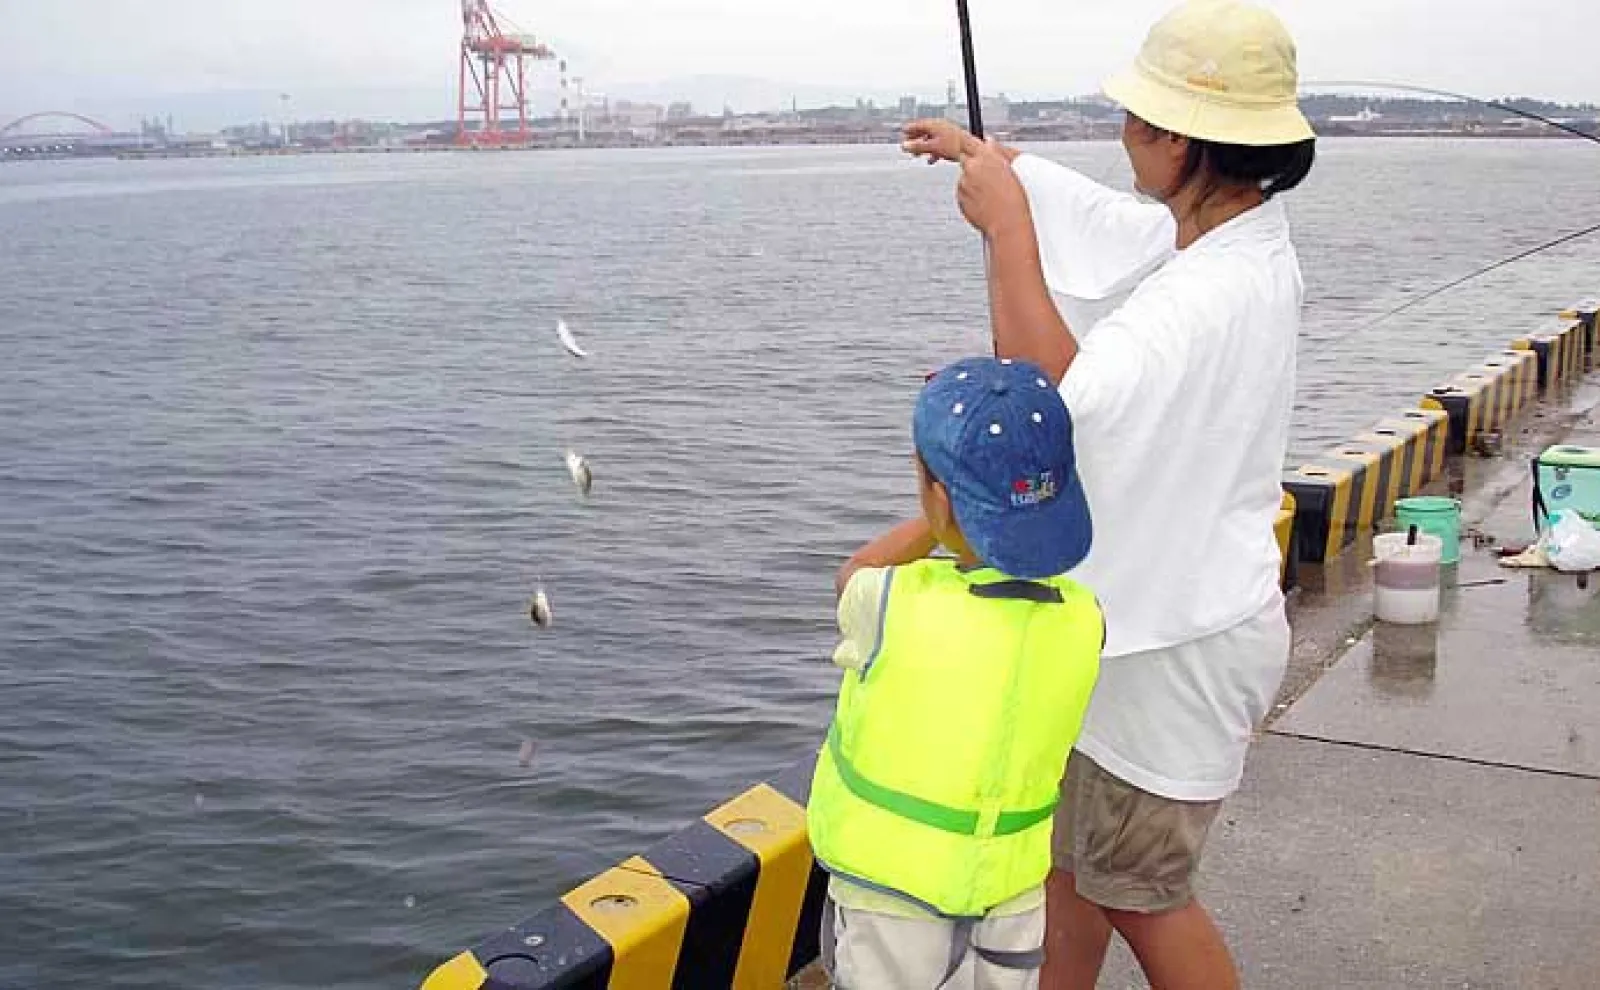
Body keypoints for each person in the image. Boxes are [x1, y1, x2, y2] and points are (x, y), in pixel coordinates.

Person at [900, 2, 1317, 988]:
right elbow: (1120, 226)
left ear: (1178, 138)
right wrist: (1003, 171)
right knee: (1071, 874)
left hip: (1171, 658)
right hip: (1145, 626)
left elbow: (1059, 401)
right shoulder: (1222, 235)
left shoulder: (1207, 295)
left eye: (1136, 121)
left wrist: (1007, 230)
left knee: (1142, 897)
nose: (1123, 138)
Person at [807, 355, 1104, 990]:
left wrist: (946, 513)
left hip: (892, 897)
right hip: (1011, 892)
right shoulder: (1086, 619)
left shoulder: (891, 603)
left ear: (938, 498)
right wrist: (981, 505)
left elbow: (849, 578)